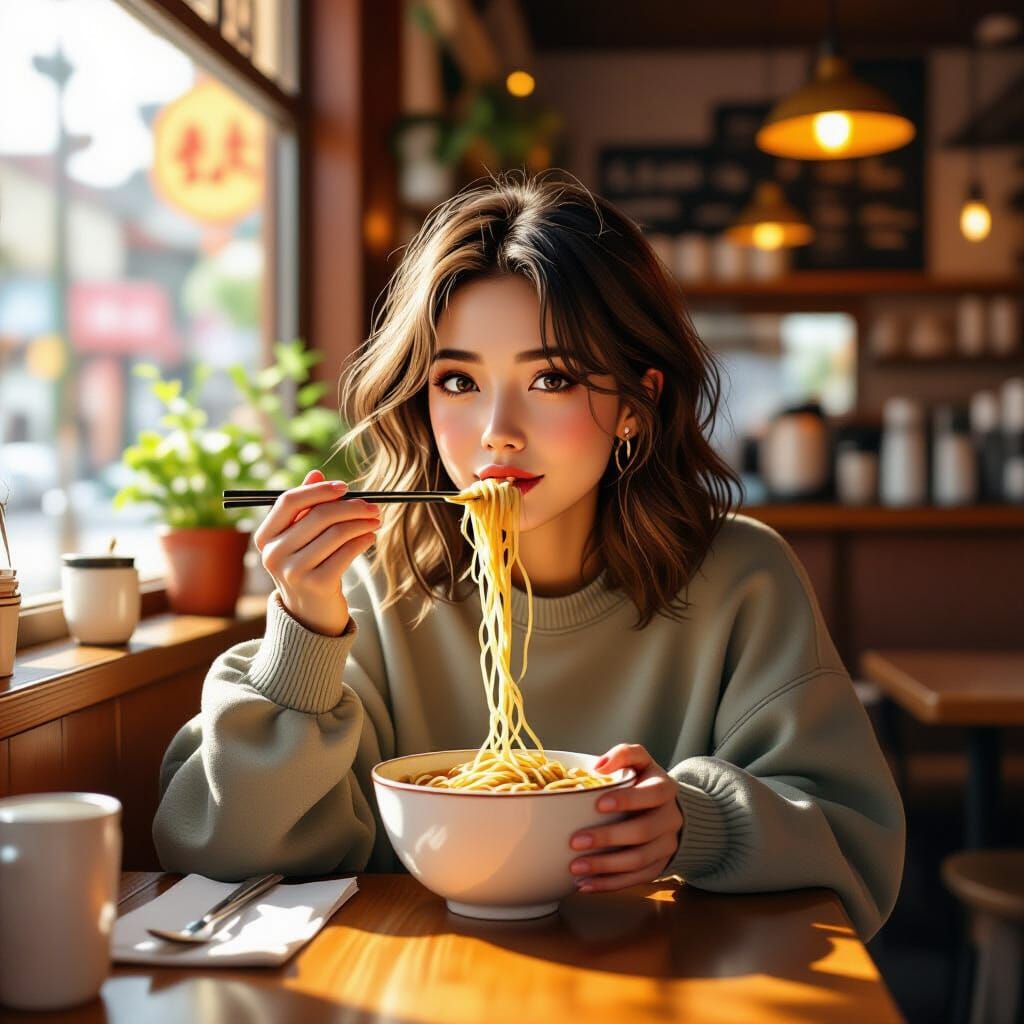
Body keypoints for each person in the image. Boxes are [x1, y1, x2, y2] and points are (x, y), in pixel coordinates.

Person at [153, 170, 904, 941]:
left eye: (551, 377)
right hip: (415, 988)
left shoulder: (741, 579)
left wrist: (696, 823)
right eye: (458, 380)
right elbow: (222, 846)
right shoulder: (371, 585)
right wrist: (305, 629)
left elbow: (856, 841)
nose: (497, 432)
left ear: (634, 406)